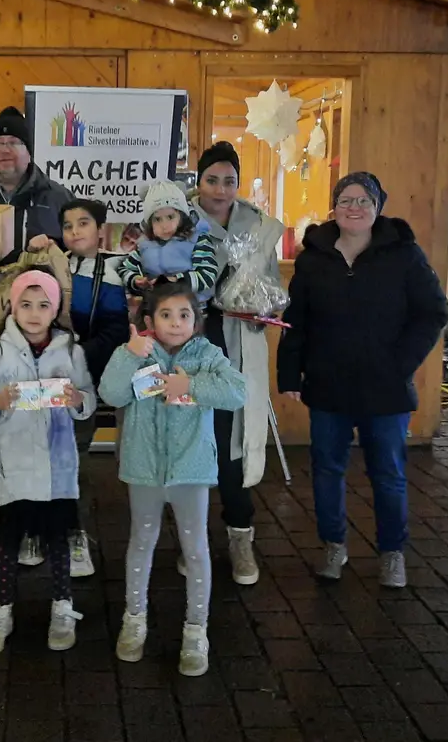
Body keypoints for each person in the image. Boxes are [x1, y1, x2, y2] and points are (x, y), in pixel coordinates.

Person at [277, 172, 448, 588]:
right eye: (345, 200)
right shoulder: (313, 256)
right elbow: (295, 320)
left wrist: (402, 362)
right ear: (333, 206)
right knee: (326, 469)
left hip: (385, 385)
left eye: (363, 200)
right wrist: (289, 371)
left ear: (378, 207)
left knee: (388, 473)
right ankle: (333, 545)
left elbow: (433, 312)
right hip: (327, 381)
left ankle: (392, 553)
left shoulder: (403, 254)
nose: (354, 207)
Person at [98, 283, 247, 677]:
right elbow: (111, 394)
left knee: (195, 548)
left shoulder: (208, 355)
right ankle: (134, 618)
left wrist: (191, 385)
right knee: (141, 542)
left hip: (191, 470)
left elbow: (237, 392)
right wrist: (129, 356)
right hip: (143, 468)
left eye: (184, 315)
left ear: (196, 321)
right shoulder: (134, 353)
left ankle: (196, 630)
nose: (176, 323)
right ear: (149, 321)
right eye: (166, 315)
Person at [0, 106, 75, 523]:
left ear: (29, 151)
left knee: (38, 407)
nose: (6, 150)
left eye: (14, 143)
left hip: (39, 324)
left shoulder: (56, 197)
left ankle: (40, 486)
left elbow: (72, 252)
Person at [0, 271, 96, 655]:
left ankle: (62, 606)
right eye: (26, 304)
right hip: (15, 466)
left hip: (58, 469)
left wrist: (77, 402)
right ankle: (2, 609)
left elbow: (88, 397)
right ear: (13, 307)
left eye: (44, 305)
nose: (35, 314)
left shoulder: (71, 351)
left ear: (55, 309)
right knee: (8, 540)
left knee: (58, 539)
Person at [185, 141, 286, 585]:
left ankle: (240, 535)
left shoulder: (258, 228)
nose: (221, 190)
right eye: (212, 180)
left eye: (229, 180)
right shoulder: (178, 221)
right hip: (188, 345)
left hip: (237, 346)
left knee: (233, 445)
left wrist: (266, 307)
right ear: (199, 182)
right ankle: (191, 543)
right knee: (187, 445)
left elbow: (271, 284)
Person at [59, 198, 129, 577]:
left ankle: (76, 536)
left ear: (100, 229)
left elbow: (118, 330)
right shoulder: (51, 265)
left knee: (82, 457)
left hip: (97, 374)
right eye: (67, 226)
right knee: (61, 456)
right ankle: (44, 530)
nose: (75, 232)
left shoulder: (119, 268)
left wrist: (80, 353)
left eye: (83, 223)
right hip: (58, 377)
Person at [115, 180, 220, 303]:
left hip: (190, 310)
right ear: (149, 223)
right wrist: (136, 280)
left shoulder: (197, 239)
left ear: (182, 216)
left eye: (170, 217)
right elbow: (123, 269)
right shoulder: (145, 245)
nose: (164, 225)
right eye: (157, 219)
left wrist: (177, 281)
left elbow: (208, 274)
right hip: (155, 308)